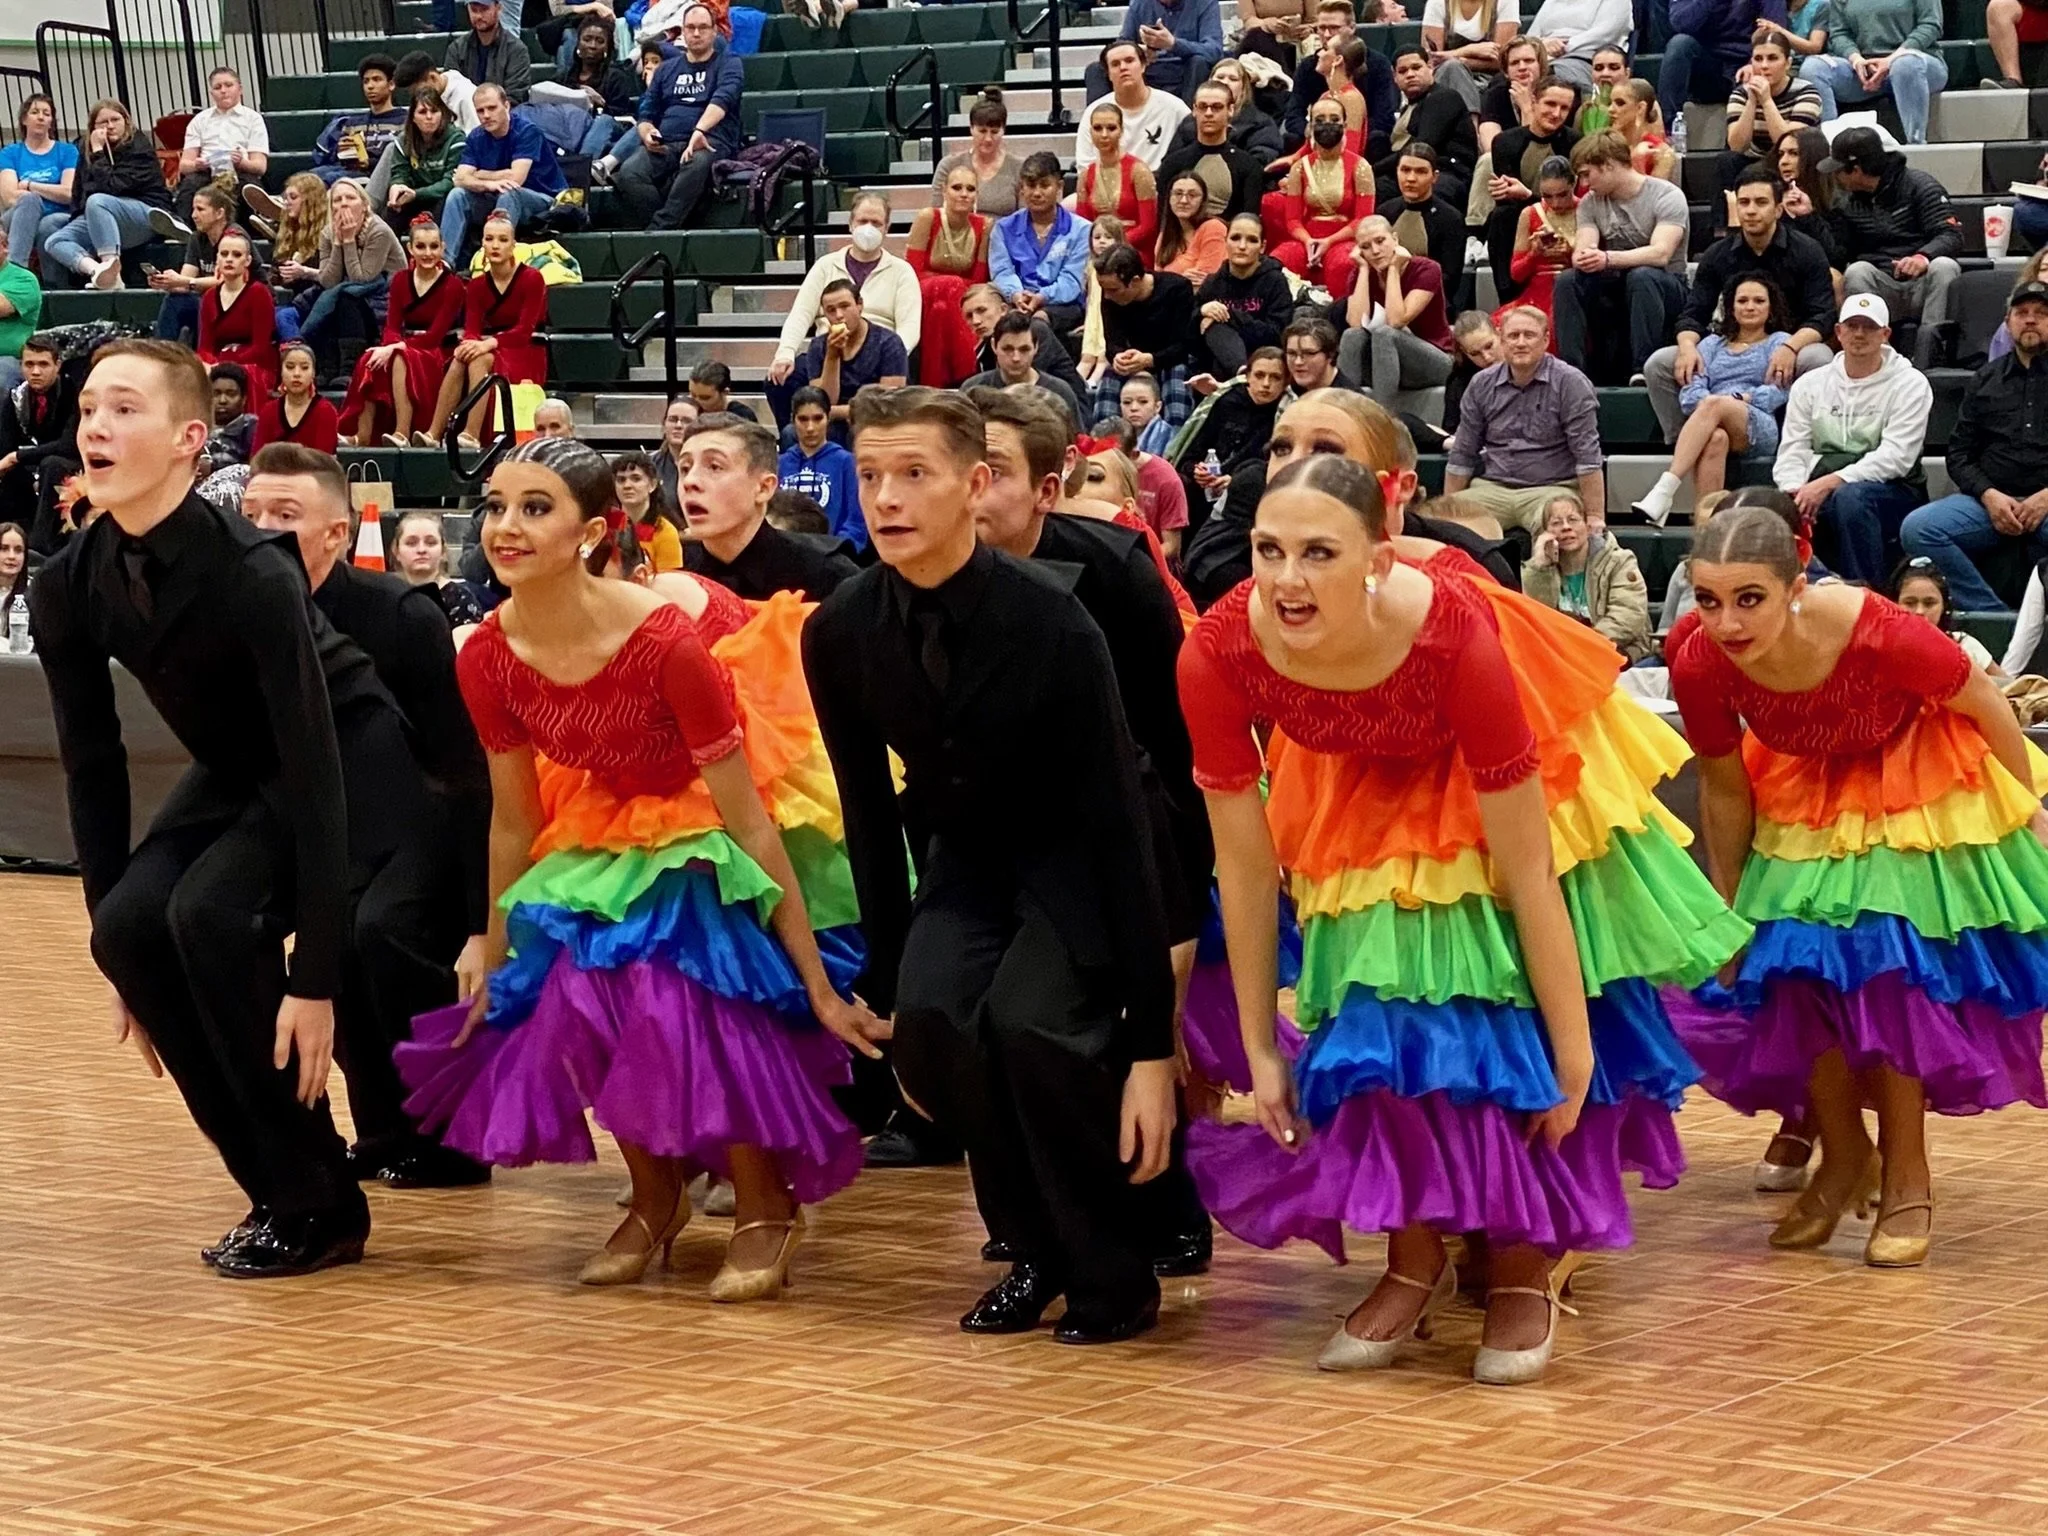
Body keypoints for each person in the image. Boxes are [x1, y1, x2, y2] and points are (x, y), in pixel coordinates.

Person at [1176, 447, 1734, 1381]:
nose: (1285, 578)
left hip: (1475, 782)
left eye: (1318, 553)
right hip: (1353, 786)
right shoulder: (1216, 650)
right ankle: (1414, 1256)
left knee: (1482, 1017)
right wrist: (1261, 1047)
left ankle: (1519, 1265)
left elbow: (1528, 867)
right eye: (1268, 550)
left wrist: (1574, 1050)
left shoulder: (1454, 634)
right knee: (1376, 1024)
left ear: (1378, 557)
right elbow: (1240, 860)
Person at [395, 434, 881, 1292]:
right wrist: (497, 947)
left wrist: (812, 979)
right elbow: (514, 821)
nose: (507, 528)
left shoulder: (664, 644)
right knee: (571, 993)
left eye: (535, 508)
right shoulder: (485, 655)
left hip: (705, 820)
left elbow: (752, 825)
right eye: (498, 507)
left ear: (591, 532)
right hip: (600, 817)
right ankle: (656, 1195)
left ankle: (767, 1201)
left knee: (677, 988)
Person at [804, 387, 1179, 1344]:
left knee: (1032, 1027)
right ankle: (1038, 1245)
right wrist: (888, 982)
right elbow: (864, 812)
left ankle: (1113, 1271)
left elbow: (1123, 821)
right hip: (965, 858)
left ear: (974, 486)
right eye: (873, 475)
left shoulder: (1056, 623)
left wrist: (1149, 1042)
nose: (887, 498)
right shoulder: (841, 627)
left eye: (914, 475)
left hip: (1081, 860)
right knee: (934, 1025)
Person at [29, 340, 410, 1277]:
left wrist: (315, 977)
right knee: (130, 925)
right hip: (242, 770)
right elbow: (92, 763)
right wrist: (121, 952)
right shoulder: (65, 581)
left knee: (207, 915)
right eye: (88, 411)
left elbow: (316, 767)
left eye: (124, 409)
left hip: (351, 759)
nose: (95, 427)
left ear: (189, 438)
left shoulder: (254, 571)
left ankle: (324, 1202)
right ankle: (279, 1193)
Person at [1667, 504, 2047, 1272]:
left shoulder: (1877, 630)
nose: (1728, 622)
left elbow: (1983, 703)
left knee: (1883, 967)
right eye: (1708, 600)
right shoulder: (1700, 660)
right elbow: (1725, 785)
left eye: (1749, 599)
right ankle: (1844, 1158)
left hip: (1911, 771)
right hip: (1803, 787)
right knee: (1789, 971)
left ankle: (1909, 1172)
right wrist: (1733, 904)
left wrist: (2029, 813)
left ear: (1795, 586)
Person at [970, 385, 1216, 1271]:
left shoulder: (1115, 570)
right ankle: (1034, 1223)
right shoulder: (914, 573)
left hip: (1126, 832)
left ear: (1047, 486)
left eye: (991, 469)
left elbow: (1171, 739)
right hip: (995, 847)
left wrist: (1179, 890)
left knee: (1124, 1032)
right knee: (984, 1025)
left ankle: (1164, 1206)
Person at [239, 443, 492, 1188]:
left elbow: (463, 768)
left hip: (430, 824)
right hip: (336, 828)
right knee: (330, 952)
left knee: (383, 932)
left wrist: (481, 920)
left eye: (284, 516)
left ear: (337, 534)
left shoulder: (401, 617)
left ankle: (452, 1135)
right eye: (249, 515)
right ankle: (384, 1130)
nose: (261, 531)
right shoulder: (242, 617)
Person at [1646, 165, 1837, 445]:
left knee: (1819, 358)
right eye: (1744, 202)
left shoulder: (1807, 250)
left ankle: (1799, 442)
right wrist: (1687, 347)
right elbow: (1693, 313)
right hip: (1731, 344)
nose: (1750, 210)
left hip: (1789, 346)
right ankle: (1683, 441)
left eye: (1761, 202)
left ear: (1778, 209)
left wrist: (1790, 347)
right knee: (1658, 364)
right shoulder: (1717, 255)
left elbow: (1822, 315)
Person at [1900, 281, 2048, 613]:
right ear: (2008, 322)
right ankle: (1994, 617)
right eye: (2022, 313)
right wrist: (1988, 495)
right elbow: (1960, 453)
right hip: (1991, 503)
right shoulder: (1985, 378)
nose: (2030, 320)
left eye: (2041, 314)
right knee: (1919, 529)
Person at [1775, 292, 1931, 587]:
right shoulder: (1810, 384)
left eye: (1869, 327)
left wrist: (1829, 482)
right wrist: (1793, 492)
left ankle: (1866, 593)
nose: (1859, 334)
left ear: (1885, 334)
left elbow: (1897, 457)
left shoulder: (1911, 384)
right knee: (1776, 505)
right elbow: (1793, 449)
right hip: (1819, 484)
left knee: (1850, 498)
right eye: (1852, 325)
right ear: (1838, 332)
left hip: (1895, 488)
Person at [1633, 275, 1793, 526]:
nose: (1750, 306)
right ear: (1731, 307)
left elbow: (1779, 392)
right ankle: (1706, 530)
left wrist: (1740, 399)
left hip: (1758, 423)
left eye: (1758, 301)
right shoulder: (1711, 344)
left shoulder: (1779, 342)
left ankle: (1665, 489)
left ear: (1771, 307)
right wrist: (1714, 406)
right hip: (1713, 418)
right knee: (1715, 439)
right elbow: (1691, 391)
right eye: (1742, 300)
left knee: (1713, 405)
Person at [1443, 305, 1604, 532]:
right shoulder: (1480, 385)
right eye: (1513, 336)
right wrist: (1449, 511)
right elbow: (1462, 454)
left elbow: (1587, 455)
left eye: (1529, 335)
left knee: (1561, 522)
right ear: (1502, 339)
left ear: (1546, 339)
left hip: (1553, 489)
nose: (1520, 343)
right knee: (1454, 525)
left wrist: (1595, 516)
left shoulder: (1570, 383)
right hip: (1493, 488)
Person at [1552, 132, 1690, 385]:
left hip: (1666, 285)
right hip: (1618, 282)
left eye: (1586, 174)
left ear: (1609, 165)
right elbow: (1584, 246)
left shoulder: (1666, 195)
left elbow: (1661, 253)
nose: (1583, 184)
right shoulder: (1590, 204)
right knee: (1569, 280)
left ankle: (1642, 368)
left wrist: (1606, 258)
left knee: (1643, 274)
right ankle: (1572, 373)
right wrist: (1584, 255)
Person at [1822, 126, 1962, 371]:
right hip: (1881, 285)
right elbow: (1837, 254)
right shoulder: (1845, 203)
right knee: (1857, 271)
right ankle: (1870, 356)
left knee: (1944, 266)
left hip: (1923, 283)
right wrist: (1808, 219)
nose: (1835, 178)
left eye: (1838, 171)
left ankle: (1931, 353)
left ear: (1855, 170)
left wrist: (1923, 256)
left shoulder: (1920, 185)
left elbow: (1952, 234)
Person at [681, 413, 860, 600]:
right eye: (685, 468)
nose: (690, 480)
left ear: (764, 487)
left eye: (715, 466)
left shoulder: (828, 576)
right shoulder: (671, 575)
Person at [769, 191, 920, 410]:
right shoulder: (825, 265)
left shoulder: (902, 271)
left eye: (876, 223)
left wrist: (890, 355)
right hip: (825, 350)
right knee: (779, 381)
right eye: (862, 221)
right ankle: (794, 438)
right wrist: (785, 353)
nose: (868, 228)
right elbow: (801, 314)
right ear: (851, 224)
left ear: (887, 228)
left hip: (878, 352)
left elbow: (910, 327)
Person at [421, 211, 548, 448]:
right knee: (460, 357)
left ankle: (471, 433)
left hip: (525, 350)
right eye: (489, 239)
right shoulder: (477, 285)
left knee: (478, 359)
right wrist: (469, 344)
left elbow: (523, 331)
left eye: (502, 240)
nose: (495, 246)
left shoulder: (532, 278)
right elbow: (471, 329)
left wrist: (485, 344)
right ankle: (433, 434)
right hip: (491, 348)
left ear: (513, 245)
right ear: (482, 244)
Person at [341, 215, 467, 447]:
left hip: (436, 352)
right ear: (410, 249)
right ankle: (362, 434)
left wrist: (397, 347)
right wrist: (389, 346)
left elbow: (435, 336)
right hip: (405, 345)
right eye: (420, 246)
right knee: (371, 358)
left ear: (443, 247)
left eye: (433, 246)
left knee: (400, 356)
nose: (427, 253)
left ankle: (402, 432)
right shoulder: (400, 279)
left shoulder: (453, 285)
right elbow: (391, 325)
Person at [615, 5, 741, 233]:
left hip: (710, 141)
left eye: (703, 27)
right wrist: (647, 133)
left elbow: (723, 100)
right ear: (682, 31)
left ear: (714, 32)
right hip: (666, 144)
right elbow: (646, 113)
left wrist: (700, 130)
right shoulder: (666, 70)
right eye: (691, 27)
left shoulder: (729, 63)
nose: (696, 33)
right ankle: (669, 226)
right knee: (629, 172)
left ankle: (658, 231)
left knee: (697, 163)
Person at [39, 98, 168, 291]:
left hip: (144, 213)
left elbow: (112, 187)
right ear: (93, 128)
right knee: (54, 240)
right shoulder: (85, 148)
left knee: (97, 201)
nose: (110, 126)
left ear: (126, 121)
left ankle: (111, 265)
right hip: (101, 214)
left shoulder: (139, 146)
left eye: (115, 120)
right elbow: (78, 191)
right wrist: (80, 220)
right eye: (103, 122)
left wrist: (99, 151)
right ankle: (99, 272)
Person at [1333, 216, 1455, 408]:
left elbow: (1396, 321)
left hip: (1435, 361)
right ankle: (1342, 414)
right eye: (1365, 247)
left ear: (1395, 240)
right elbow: (1355, 323)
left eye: (1380, 241)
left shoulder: (1427, 269)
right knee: (1351, 336)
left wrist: (1394, 269)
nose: (1374, 251)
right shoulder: (1360, 273)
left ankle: (1384, 418)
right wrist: (1363, 269)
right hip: (1385, 362)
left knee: (1385, 334)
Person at [440, 83, 564, 267]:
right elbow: (459, 179)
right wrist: (490, 183)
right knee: (458, 195)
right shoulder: (476, 136)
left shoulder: (527, 131)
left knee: (509, 191)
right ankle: (444, 263)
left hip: (542, 200)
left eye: (492, 108)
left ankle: (491, 261)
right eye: (480, 111)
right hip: (498, 198)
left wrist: (479, 174)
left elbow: (516, 179)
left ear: (506, 106)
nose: (486, 115)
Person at [1521, 488, 1652, 658]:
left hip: (1615, 651)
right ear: (1544, 533)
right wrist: (1540, 567)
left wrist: (1582, 646)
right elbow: (1536, 619)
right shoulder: (1537, 571)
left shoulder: (1618, 561)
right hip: (1561, 656)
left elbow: (1628, 615)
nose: (1566, 527)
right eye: (1556, 523)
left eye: (1573, 520)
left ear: (1587, 527)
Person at [1484, 74, 1579, 299]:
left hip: (1567, 213)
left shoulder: (1575, 143)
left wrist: (1527, 194)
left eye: (1564, 108)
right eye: (1550, 104)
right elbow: (1506, 196)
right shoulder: (1505, 142)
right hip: (1519, 217)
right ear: (1533, 102)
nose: (1557, 114)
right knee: (1502, 215)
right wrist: (1528, 199)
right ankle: (1508, 297)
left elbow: (1571, 197)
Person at [1268, 97, 1373, 300]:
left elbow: (1363, 220)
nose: (1327, 124)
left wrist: (1329, 241)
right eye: (1320, 119)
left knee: (1344, 264)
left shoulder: (1361, 167)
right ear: (1311, 126)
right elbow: (1292, 220)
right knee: (1278, 261)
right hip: (1306, 238)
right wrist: (1308, 241)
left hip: (1344, 239)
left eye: (1334, 119)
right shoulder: (1300, 166)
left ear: (1344, 125)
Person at [1801, 0, 1946, 143]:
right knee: (1813, 67)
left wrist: (1891, 60)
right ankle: (1830, 144)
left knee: (1905, 64)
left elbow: (1931, 25)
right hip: (1864, 68)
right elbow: (1839, 33)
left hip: (1914, 62)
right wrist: (1856, 59)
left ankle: (1916, 144)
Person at [298, 178, 406, 367]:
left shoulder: (379, 231)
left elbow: (362, 278)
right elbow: (328, 281)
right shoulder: (327, 234)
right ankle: (328, 366)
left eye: (350, 198)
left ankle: (351, 366)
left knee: (346, 297)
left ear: (364, 205)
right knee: (331, 296)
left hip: (385, 299)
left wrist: (348, 240)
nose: (344, 203)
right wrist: (338, 243)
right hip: (351, 294)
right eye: (337, 200)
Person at [989, 154, 1094, 346]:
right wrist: (1016, 294)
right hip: (1016, 300)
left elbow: (1072, 280)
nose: (1037, 193)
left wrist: (1042, 297)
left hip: (1064, 305)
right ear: (1021, 189)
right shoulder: (1003, 229)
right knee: (999, 317)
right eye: (1030, 185)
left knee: (1037, 322)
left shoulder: (1082, 230)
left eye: (1045, 185)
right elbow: (1002, 271)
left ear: (1060, 187)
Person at [789, 281, 911, 441]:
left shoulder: (888, 342)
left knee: (855, 435)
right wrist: (832, 356)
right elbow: (824, 402)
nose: (839, 315)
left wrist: (836, 412)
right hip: (834, 422)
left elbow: (886, 404)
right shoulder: (818, 346)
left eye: (844, 306)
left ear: (859, 305)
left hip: (874, 421)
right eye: (831, 310)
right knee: (791, 433)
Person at [1090, 244, 1197, 423]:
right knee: (1109, 378)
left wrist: (1150, 359)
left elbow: (1184, 345)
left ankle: (1174, 445)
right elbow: (1112, 341)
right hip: (1133, 360)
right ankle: (1103, 443)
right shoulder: (1110, 296)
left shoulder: (1177, 288)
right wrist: (1118, 356)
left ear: (1135, 281)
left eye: (1113, 290)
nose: (1107, 296)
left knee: (1177, 378)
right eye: (1104, 289)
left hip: (1171, 359)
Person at [906, 165, 991, 388]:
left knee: (942, 310)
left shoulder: (985, 226)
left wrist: (953, 287)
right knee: (949, 287)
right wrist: (949, 283)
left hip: (958, 300)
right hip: (924, 294)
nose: (964, 194)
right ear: (944, 191)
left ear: (977, 195)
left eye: (970, 189)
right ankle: (968, 372)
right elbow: (913, 272)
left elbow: (979, 280)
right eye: (957, 187)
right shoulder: (928, 217)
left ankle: (935, 385)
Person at [0, 334, 79, 556]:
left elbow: (68, 445)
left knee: (51, 465)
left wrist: (18, 457)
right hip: (34, 467)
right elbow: (6, 445)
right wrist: (16, 462)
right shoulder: (17, 397)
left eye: (43, 364)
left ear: (57, 365)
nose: (35, 371)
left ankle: (39, 547)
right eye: (29, 364)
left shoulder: (74, 393)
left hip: (73, 466)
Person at [1282, 1, 1396, 153]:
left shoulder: (1378, 64)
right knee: (1291, 138)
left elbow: (1384, 117)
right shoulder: (1308, 67)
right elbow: (1293, 114)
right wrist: (1317, 136)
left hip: (1359, 146)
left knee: (1378, 138)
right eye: (1321, 28)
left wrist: (1330, 139)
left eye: (1334, 28)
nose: (1327, 34)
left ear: (1352, 28)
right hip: (1316, 140)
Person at [1191, 214, 1295, 380]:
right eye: (1235, 238)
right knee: (1213, 328)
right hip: (1219, 364)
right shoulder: (1213, 283)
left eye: (1252, 240)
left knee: (1216, 323)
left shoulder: (1275, 281)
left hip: (1265, 361)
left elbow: (1277, 335)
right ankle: (1241, 374)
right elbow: (1191, 334)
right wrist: (1201, 312)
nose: (1242, 246)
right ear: (1225, 242)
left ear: (1262, 247)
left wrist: (1230, 316)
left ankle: (1243, 375)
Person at [1156, 81, 1265, 231]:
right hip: (1179, 246)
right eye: (1202, 106)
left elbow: (1249, 224)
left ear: (1231, 110)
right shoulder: (1173, 164)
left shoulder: (1248, 166)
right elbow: (1163, 223)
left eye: (1217, 107)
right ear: (1194, 110)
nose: (1208, 113)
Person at [1720, 32, 1824, 190]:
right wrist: (1752, 102)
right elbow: (1737, 146)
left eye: (1772, 58)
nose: (1764, 66)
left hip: (1795, 162)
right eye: (1758, 59)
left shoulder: (1807, 93)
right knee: (1727, 160)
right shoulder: (1741, 94)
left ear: (1788, 63)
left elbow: (1789, 143)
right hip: (1755, 161)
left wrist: (1767, 101)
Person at [1376, 48, 1478, 207]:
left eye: (1416, 68)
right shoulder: (1406, 108)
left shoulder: (1443, 97)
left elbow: (1423, 146)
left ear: (1430, 67)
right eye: (1402, 71)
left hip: (1446, 172)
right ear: (1394, 77)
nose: (1410, 74)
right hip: (1407, 170)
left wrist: (1371, 169)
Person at [1658, 0, 1776, 135]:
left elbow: (1773, 30)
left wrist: (1754, 63)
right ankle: (1669, 129)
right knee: (1679, 44)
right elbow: (1680, 24)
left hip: (1745, 63)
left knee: (1766, 59)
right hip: (1708, 66)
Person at [1077, 42, 1194, 174]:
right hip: (1110, 186)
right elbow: (1085, 166)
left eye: (1129, 61)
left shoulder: (1174, 107)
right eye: (1115, 64)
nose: (1123, 67)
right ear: (1108, 74)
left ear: (1143, 66)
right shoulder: (1094, 112)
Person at [168, 69, 266, 225]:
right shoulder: (200, 120)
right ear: (211, 93)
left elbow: (260, 166)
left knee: (248, 187)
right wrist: (196, 164)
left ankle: (254, 230)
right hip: (206, 172)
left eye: (228, 85)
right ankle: (183, 229)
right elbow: (184, 165)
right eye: (218, 87)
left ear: (240, 89)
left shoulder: (253, 119)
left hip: (241, 171)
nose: (223, 91)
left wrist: (241, 162)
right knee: (190, 185)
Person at [197, 227, 279, 405]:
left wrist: (226, 365)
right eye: (224, 254)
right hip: (219, 363)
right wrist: (211, 364)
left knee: (246, 376)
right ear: (217, 259)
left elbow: (261, 348)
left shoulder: (259, 293)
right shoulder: (209, 297)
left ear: (248, 260)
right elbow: (205, 346)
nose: (229, 260)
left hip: (256, 365)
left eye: (236, 255)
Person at [962, 312, 1087, 427]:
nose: (1016, 358)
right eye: (1007, 349)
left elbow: (1077, 443)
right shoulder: (973, 389)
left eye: (1024, 350)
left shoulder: (1060, 391)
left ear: (1036, 347)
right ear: (994, 346)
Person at [777, 386, 864, 550]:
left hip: (835, 555)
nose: (810, 428)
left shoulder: (848, 463)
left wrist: (835, 550)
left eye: (818, 418)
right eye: (803, 419)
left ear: (828, 418)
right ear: (793, 420)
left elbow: (856, 521)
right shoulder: (779, 464)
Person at [146, 185, 232, 347]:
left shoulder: (234, 238)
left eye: (200, 210)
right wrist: (167, 283)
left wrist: (185, 282)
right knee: (176, 299)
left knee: (206, 303)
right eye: (193, 210)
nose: (194, 215)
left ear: (219, 213)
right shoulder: (197, 239)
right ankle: (163, 354)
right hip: (209, 303)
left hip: (240, 303)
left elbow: (226, 282)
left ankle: (203, 359)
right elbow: (186, 282)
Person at [1502, 154, 1577, 338]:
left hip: (1576, 287)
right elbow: (1515, 274)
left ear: (1573, 184)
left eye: (1562, 195)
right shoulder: (1530, 213)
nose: (1556, 203)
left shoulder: (1587, 209)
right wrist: (1534, 254)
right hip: (1537, 292)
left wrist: (1571, 254)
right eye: (1547, 196)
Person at [1889, 556, 2004, 676]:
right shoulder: (1879, 650)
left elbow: (2010, 687)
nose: (1920, 611)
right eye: (1910, 603)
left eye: (1929, 603)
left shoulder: (1965, 646)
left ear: (1944, 606)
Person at [1074, 102, 1161, 260]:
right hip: (1098, 253)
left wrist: (1116, 245)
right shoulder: (1086, 176)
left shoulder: (1139, 171)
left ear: (1121, 131)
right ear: (1090, 132)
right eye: (1098, 128)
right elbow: (1084, 225)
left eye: (1111, 128)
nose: (1104, 134)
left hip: (1134, 252)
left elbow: (1148, 226)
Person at [373, 87, 466, 232]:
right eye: (422, 112)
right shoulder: (403, 141)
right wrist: (397, 187)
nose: (429, 117)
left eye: (434, 111)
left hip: (441, 199)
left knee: (444, 203)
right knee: (392, 210)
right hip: (412, 198)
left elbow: (450, 182)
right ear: (413, 117)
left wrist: (416, 194)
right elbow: (399, 174)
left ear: (442, 114)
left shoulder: (456, 139)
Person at [552, 17, 643, 161]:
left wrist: (601, 104)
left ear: (608, 47)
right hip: (573, 129)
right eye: (587, 39)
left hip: (607, 129)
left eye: (600, 41)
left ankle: (582, 167)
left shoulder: (616, 76)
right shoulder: (563, 78)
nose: (592, 46)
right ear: (578, 43)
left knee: (604, 121)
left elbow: (623, 116)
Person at [311, 55, 408, 188]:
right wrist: (342, 151)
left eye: (376, 79)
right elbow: (339, 159)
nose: (370, 86)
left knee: (328, 179)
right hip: (348, 172)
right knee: (309, 178)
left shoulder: (405, 121)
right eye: (366, 81)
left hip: (378, 179)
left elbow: (402, 160)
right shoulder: (352, 123)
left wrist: (370, 162)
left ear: (391, 85)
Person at [1, 94, 76, 265]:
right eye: (35, 112)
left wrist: (30, 185)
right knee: (30, 200)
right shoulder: (10, 153)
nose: (41, 117)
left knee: (47, 226)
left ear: (51, 121)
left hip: (58, 215)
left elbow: (68, 193)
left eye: (46, 114)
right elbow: (9, 198)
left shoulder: (67, 151)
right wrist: (46, 193)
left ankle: (54, 287)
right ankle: (16, 268)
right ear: (24, 119)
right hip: (16, 217)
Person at [1097, 0, 1224, 101]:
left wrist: (1173, 44)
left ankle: (1190, 125)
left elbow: (1214, 50)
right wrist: (1139, 51)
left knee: (1199, 62)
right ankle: (1102, 122)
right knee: (1097, 69)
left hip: (1185, 71)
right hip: (1149, 70)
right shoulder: (1139, 3)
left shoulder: (1206, 3)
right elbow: (1122, 43)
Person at [1383, 144, 1468, 293]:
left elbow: (1450, 279)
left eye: (1421, 172)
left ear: (1434, 177)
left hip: (1432, 299)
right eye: (1405, 170)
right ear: (1396, 171)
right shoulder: (1384, 212)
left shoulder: (1451, 219)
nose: (1411, 178)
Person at [390, 508, 491, 626]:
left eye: (431, 543)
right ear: (396, 551)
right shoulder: (387, 595)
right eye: (411, 543)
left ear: (443, 551)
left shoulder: (461, 599)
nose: (421, 550)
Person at [933, 91, 1023, 218]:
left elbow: (1024, 219)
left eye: (994, 132)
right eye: (982, 131)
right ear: (971, 129)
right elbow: (937, 213)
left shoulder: (1018, 167)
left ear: (1004, 130)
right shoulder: (948, 165)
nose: (988, 138)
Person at [253, 343, 341, 456]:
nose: (296, 374)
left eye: (304, 368)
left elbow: (321, 461)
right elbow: (257, 456)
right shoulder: (269, 410)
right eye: (290, 367)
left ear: (313, 373)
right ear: (281, 372)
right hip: (272, 472)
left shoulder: (325, 411)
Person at [609, 448, 687, 571]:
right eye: (621, 480)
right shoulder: (606, 526)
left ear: (652, 485)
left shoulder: (665, 532)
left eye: (636, 478)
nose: (627, 485)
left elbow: (668, 583)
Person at [1524, 0, 1630, 89]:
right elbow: (1531, 36)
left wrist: (1563, 47)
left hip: (1589, 54)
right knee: (1521, 69)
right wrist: (1543, 45)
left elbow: (1606, 33)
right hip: (1546, 53)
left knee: (1552, 75)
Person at [445, 0, 534, 104]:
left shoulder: (517, 50)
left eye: (484, 9)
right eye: (474, 10)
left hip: (504, 116)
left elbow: (516, 95)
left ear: (498, 8)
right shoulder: (456, 49)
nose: (478, 16)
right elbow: (450, 92)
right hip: (465, 116)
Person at [1475, 32, 1546, 158]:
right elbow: (1492, 147)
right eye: (1514, 63)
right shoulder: (1495, 96)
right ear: (1506, 72)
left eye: (1529, 61)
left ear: (1541, 66)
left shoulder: (1554, 94)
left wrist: (1526, 108)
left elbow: (1533, 151)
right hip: (1505, 165)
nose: (1522, 67)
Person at [1154, 174, 1227, 285]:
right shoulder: (1165, 236)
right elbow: (1157, 282)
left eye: (1192, 195)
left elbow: (1203, 279)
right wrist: (1182, 279)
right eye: (1178, 194)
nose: (1184, 201)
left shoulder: (1213, 228)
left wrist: (1173, 282)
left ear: (1203, 201)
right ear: (1169, 198)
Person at [1442, 309, 1501, 435]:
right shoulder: (1459, 382)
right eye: (1475, 353)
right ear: (1464, 352)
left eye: (1489, 346)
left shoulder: (1524, 364)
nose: (1487, 357)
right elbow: (1452, 430)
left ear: (1499, 333)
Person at [1608, 77, 1677, 184]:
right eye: (1610, 102)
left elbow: (1653, 197)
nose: (1610, 109)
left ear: (1640, 108)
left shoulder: (1662, 153)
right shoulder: (1607, 145)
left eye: (1620, 103)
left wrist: (1638, 166)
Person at [392, 53, 481, 135]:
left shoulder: (466, 95)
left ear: (433, 78)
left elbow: (478, 136)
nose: (418, 96)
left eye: (418, 90)